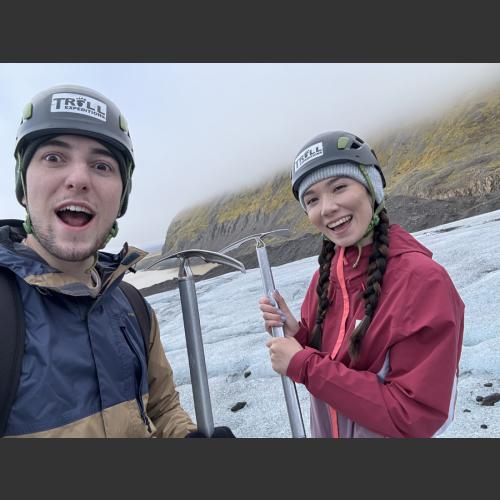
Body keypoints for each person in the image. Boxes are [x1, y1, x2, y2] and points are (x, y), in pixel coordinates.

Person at [0, 84, 233, 438]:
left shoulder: (133, 308)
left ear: (121, 197)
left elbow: (162, 407)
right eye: (53, 157)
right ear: (23, 181)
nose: (78, 179)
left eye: (101, 165)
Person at [259, 130, 464, 438]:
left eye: (339, 187)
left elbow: (416, 415)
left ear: (372, 188)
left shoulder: (422, 282)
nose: (326, 207)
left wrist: (304, 365)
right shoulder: (325, 279)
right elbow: (333, 365)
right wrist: (297, 335)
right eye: (312, 199)